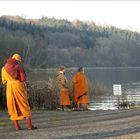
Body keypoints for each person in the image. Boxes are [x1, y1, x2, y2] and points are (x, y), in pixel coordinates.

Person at [1, 53, 37, 130]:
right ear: (17, 60)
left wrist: (10, 81)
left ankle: (17, 127)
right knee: (24, 104)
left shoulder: (3, 68)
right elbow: (23, 78)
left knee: (12, 106)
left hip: (9, 88)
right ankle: (30, 126)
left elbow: (4, 81)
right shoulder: (18, 67)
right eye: (18, 61)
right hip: (18, 87)